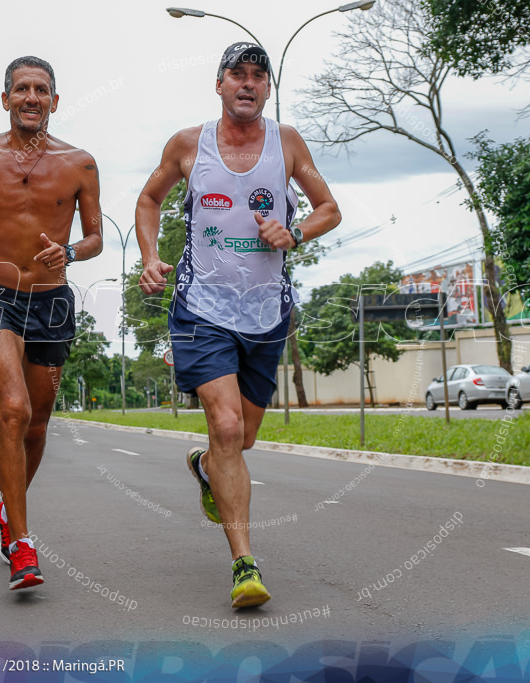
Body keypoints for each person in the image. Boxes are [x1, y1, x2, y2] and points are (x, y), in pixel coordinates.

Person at [135, 43, 340, 608]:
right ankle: (244, 565)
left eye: (257, 76)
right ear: (219, 84)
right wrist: (150, 257)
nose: (247, 84)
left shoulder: (288, 142)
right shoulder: (187, 144)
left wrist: (295, 233)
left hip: (265, 313)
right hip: (202, 308)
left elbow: (328, 208)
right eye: (236, 74)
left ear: (268, 89)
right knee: (226, 429)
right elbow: (149, 199)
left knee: (242, 438)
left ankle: (205, 467)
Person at [0, 56, 102, 591]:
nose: (32, 97)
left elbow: (95, 236)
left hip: (51, 300)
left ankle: (8, 510)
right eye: (22, 89)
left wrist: (69, 253)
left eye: (43, 89)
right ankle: (23, 547)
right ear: (5, 99)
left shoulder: (80, 164)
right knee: (13, 408)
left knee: (37, 424)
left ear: (56, 100)